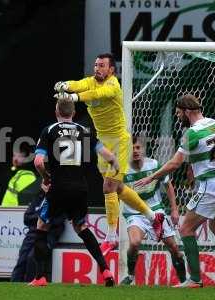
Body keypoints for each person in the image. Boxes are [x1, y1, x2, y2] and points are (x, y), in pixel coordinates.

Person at [53, 53, 164, 254]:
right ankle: (153, 216)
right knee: (118, 188)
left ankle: (111, 237)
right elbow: (77, 84)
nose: (97, 68)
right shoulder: (90, 81)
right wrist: (63, 85)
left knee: (108, 187)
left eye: (102, 65)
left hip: (119, 141)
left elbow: (95, 95)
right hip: (103, 141)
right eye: (95, 65)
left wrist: (74, 97)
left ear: (111, 69)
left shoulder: (113, 86)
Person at [135, 94, 215, 288]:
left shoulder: (191, 133)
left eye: (178, 113)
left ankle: (194, 280)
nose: (177, 116)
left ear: (187, 111)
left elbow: (175, 164)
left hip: (212, 184)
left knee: (185, 229)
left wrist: (151, 177)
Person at [29, 99, 118, 287]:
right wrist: (115, 166)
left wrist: (46, 177)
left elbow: (38, 162)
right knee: (82, 228)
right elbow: (108, 155)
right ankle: (106, 270)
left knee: (41, 226)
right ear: (73, 113)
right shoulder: (84, 130)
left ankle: (40, 277)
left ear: (56, 112)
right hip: (80, 189)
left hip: (59, 188)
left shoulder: (50, 130)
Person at [120, 136, 186, 285]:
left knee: (174, 247)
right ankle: (130, 275)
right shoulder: (123, 169)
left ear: (143, 149)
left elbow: (168, 185)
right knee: (135, 242)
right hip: (134, 213)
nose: (135, 151)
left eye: (138, 148)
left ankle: (184, 281)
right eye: (132, 148)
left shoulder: (154, 165)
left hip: (155, 211)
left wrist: (174, 209)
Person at [11, 183, 65, 282]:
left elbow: (56, 220)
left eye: (49, 184)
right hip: (32, 233)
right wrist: (41, 217)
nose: (46, 186)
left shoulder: (59, 200)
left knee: (32, 258)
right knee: (22, 260)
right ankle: (13, 286)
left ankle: (31, 286)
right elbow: (26, 217)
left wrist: (39, 217)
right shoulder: (39, 197)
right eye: (45, 183)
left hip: (49, 235)